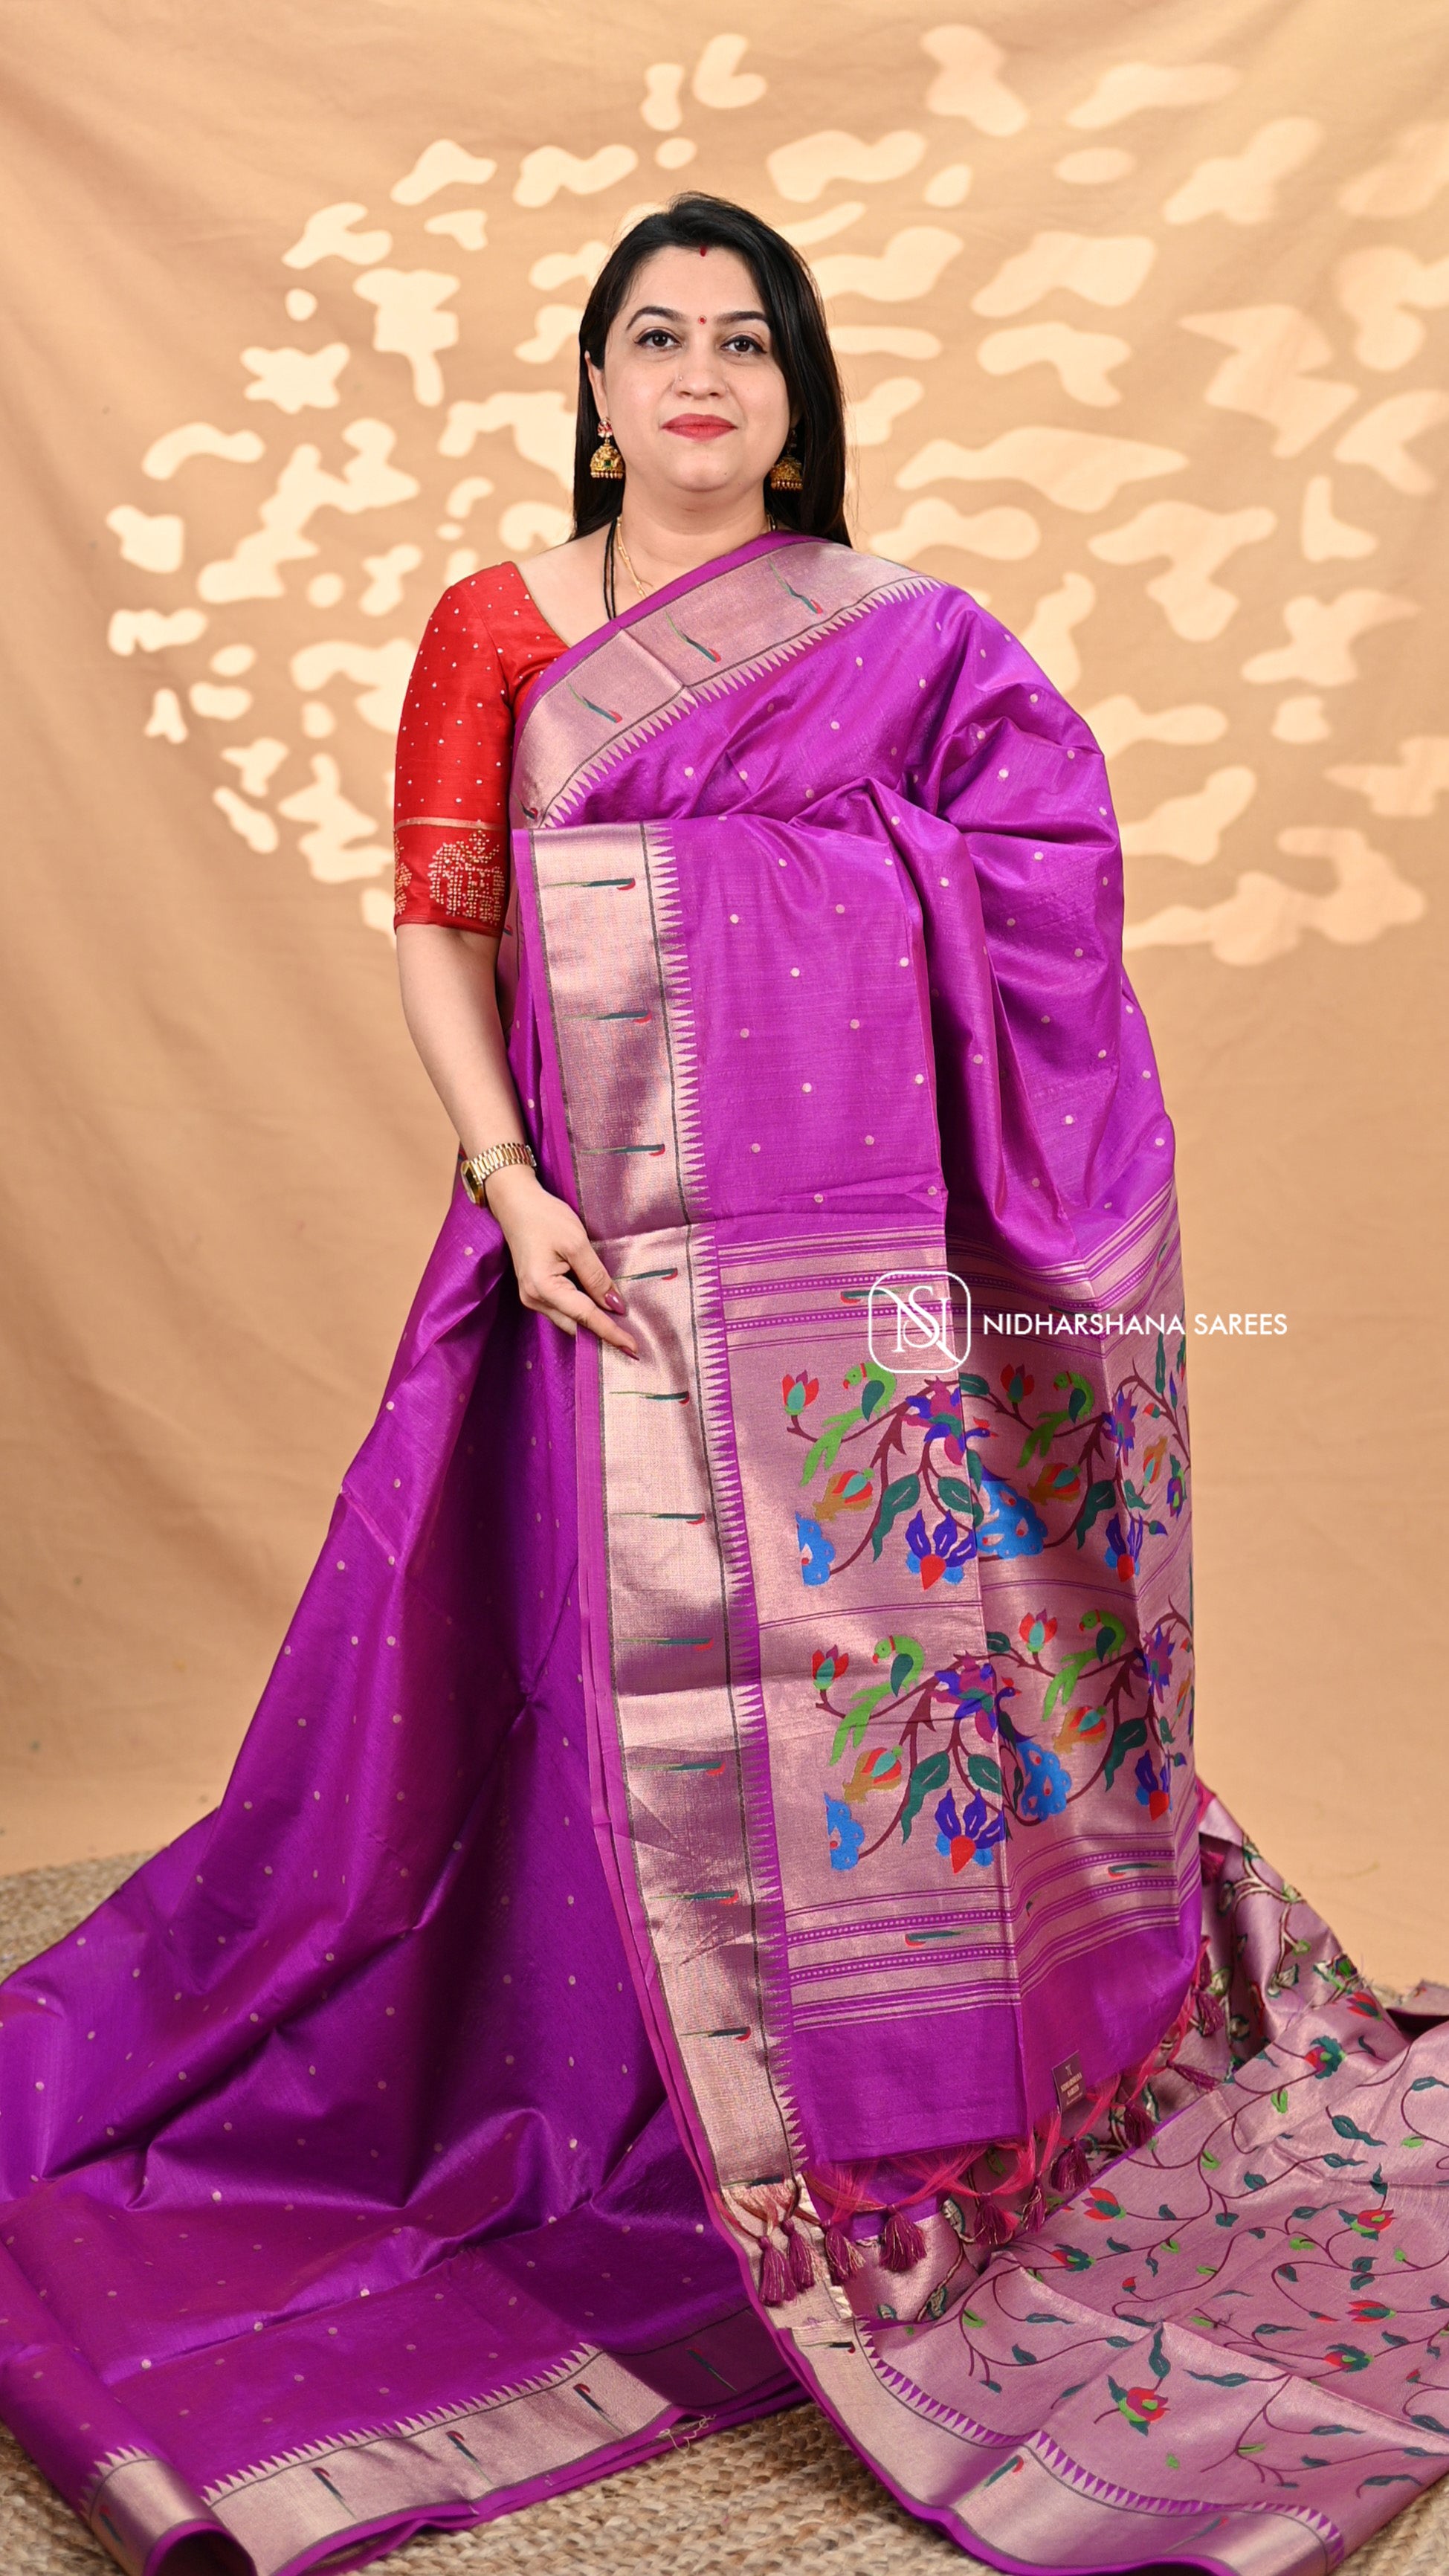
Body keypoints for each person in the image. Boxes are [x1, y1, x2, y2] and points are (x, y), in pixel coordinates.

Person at [0, 193, 1442, 2576]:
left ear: (797, 393)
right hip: (584, 1265)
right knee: (564, 1695)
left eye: (745, 342)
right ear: (593, 385)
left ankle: (862, 2130)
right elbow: (443, 927)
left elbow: (1047, 880)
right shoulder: (497, 626)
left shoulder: (905, 640)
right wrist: (508, 1182)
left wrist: (836, 881)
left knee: (866, 1672)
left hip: (854, 1285)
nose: (699, 376)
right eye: (656, 337)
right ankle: (621, 2108)